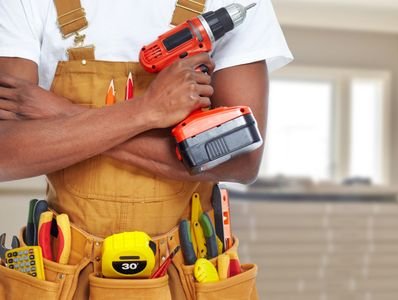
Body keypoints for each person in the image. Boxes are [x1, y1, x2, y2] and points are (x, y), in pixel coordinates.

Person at [0, 0, 292, 299]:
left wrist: (61, 114)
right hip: (66, 269)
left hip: (192, 266)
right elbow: (5, 154)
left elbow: (241, 159)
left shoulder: (234, 4)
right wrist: (146, 111)